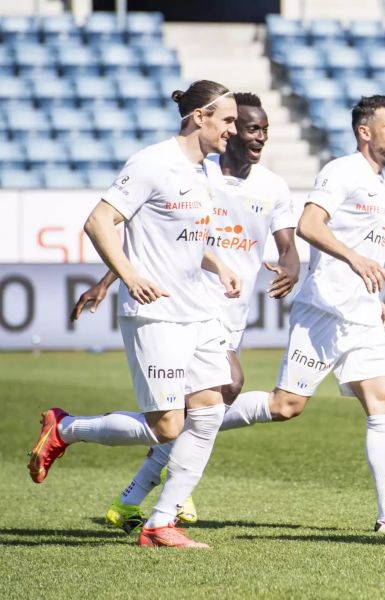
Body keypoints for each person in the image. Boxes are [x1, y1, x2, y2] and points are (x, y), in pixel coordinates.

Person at [158, 94, 385, 534]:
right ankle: (194, 426)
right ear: (365, 132)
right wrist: (354, 261)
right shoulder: (343, 171)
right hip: (323, 310)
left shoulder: (380, 183)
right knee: (286, 406)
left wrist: (371, 296)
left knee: (384, 399)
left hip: (360, 314)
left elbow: (363, 245)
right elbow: (309, 225)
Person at [70, 92, 301, 532]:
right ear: (207, 121)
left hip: (218, 310)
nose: (249, 134)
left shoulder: (260, 184)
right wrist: (115, 278)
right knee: (195, 409)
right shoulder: (176, 166)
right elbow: (125, 228)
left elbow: (205, 240)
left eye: (258, 129)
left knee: (203, 410)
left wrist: (258, 266)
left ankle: (148, 508)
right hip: (172, 310)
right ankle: (79, 439)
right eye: (240, 124)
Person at [27, 80, 241, 548]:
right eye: (226, 119)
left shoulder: (206, 171)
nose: (234, 128)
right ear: (199, 116)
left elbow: (182, 238)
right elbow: (99, 222)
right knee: (167, 426)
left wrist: (220, 264)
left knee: (207, 412)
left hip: (198, 311)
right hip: (156, 315)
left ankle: (160, 523)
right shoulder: (152, 162)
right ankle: (64, 428)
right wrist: (125, 275)